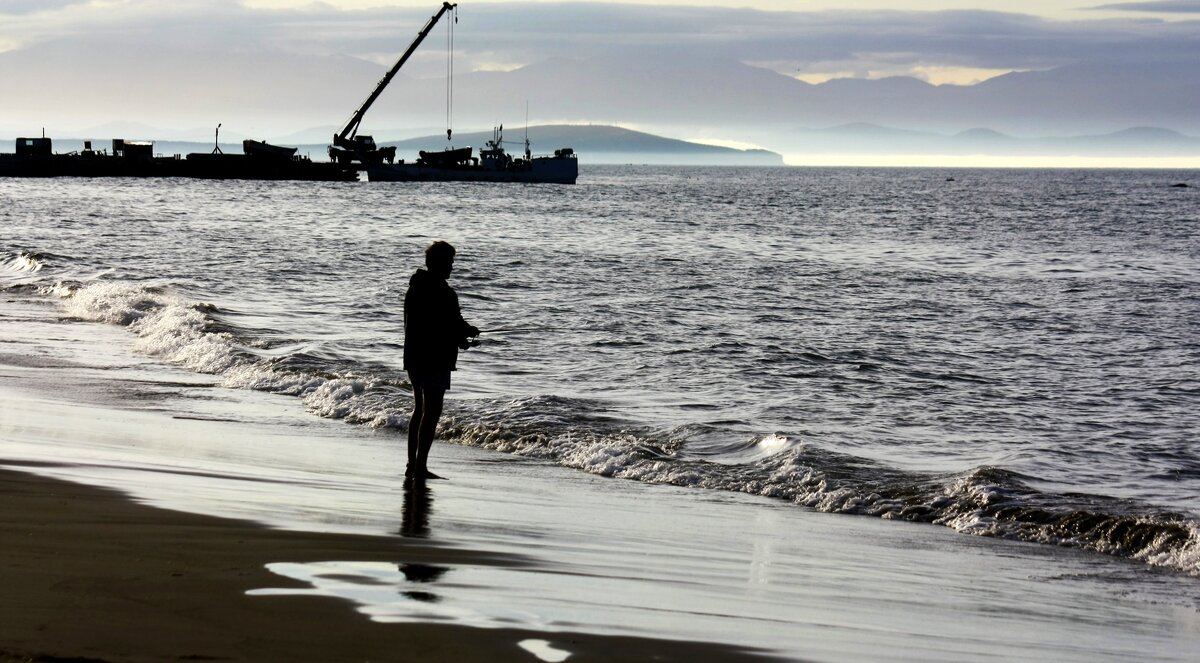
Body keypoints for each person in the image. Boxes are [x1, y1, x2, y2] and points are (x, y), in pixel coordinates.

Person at [403, 241, 478, 481]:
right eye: (450, 262)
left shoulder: (415, 287)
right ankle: (421, 467)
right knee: (432, 412)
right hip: (434, 359)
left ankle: (412, 464)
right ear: (440, 263)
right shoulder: (444, 292)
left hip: (414, 356)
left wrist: (462, 337)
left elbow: (437, 325)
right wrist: (468, 333)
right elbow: (452, 325)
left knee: (419, 410)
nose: (452, 267)